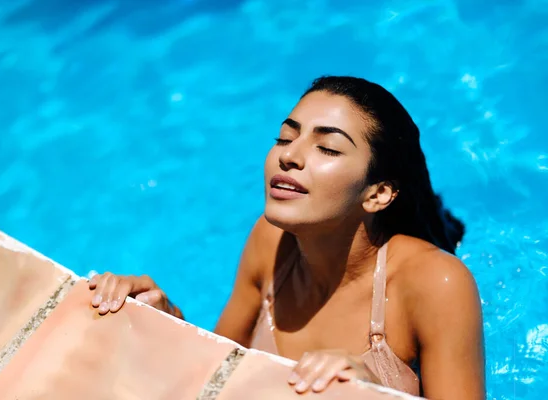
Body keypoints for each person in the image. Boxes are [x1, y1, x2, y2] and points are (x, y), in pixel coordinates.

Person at [88, 76, 485, 398]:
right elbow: (218, 368)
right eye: (284, 137)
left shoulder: (436, 285)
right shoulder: (270, 240)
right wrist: (162, 317)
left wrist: (375, 392)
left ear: (377, 193)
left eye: (327, 148)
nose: (289, 156)